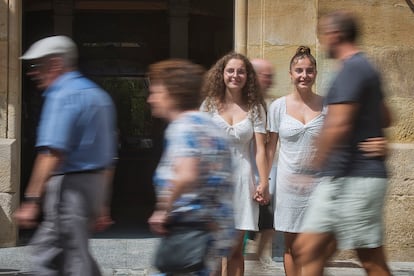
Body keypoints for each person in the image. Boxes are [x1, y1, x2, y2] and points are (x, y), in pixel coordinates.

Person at [293, 10, 392, 276]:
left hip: (355, 178)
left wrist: (309, 167)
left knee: (370, 259)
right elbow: (385, 115)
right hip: (341, 177)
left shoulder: (353, 69)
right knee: (308, 250)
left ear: (335, 35)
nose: (323, 42)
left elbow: (338, 125)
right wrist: (374, 134)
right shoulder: (361, 68)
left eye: (323, 35)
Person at [14, 35, 117, 275]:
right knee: (64, 252)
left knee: (60, 256)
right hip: (93, 185)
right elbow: (109, 157)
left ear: (56, 64)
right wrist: (102, 202)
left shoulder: (61, 94)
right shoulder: (98, 96)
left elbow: (52, 152)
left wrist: (31, 200)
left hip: (69, 188)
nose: (32, 72)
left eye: (37, 65)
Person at [147, 59, 235, 276]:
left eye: (155, 91)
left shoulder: (182, 127)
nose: (151, 99)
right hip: (212, 231)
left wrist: (162, 210)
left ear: (172, 93)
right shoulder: (212, 126)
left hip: (188, 230)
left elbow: (187, 175)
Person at [201, 52, 269, 276]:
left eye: (241, 71)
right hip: (214, 180)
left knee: (234, 249)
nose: (235, 75)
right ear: (221, 74)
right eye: (230, 70)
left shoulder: (256, 108)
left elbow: (260, 150)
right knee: (214, 250)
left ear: (247, 76)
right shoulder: (209, 105)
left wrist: (263, 182)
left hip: (243, 178)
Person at [266, 46, 326, 276]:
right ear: (290, 74)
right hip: (288, 185)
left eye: (309, 71)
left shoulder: (327, 105)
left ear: (315, 73)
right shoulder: (278, 107)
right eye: (299, 70)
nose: (304, 75)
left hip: (318, 185)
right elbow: (270, 148)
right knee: (291, 246)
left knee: (314, 248)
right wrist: (264, 181)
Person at [250, 58, 278, 268]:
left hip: (263, 175)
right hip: (249, 173)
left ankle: (257, 264)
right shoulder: (248, 106)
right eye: (265, 75)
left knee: (267, 225)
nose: (269, 80)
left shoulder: (266, 106)